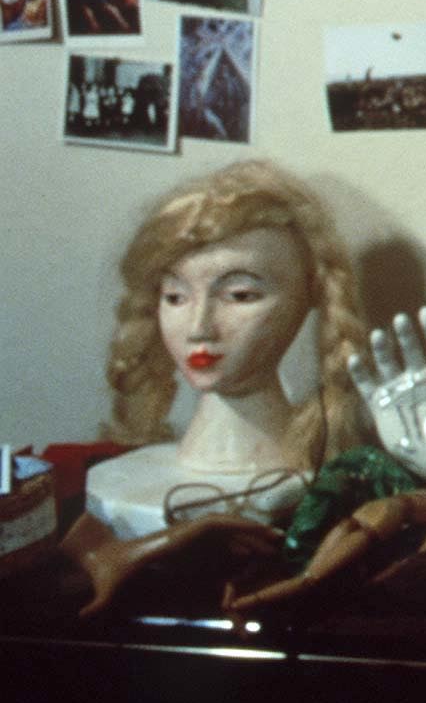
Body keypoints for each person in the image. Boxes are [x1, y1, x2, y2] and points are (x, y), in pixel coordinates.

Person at [90, 161, 372, 537]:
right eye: (175, 296)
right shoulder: (120, 485)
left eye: (239, 295)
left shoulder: (316, 491)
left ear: (309, 296)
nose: (199, 328)